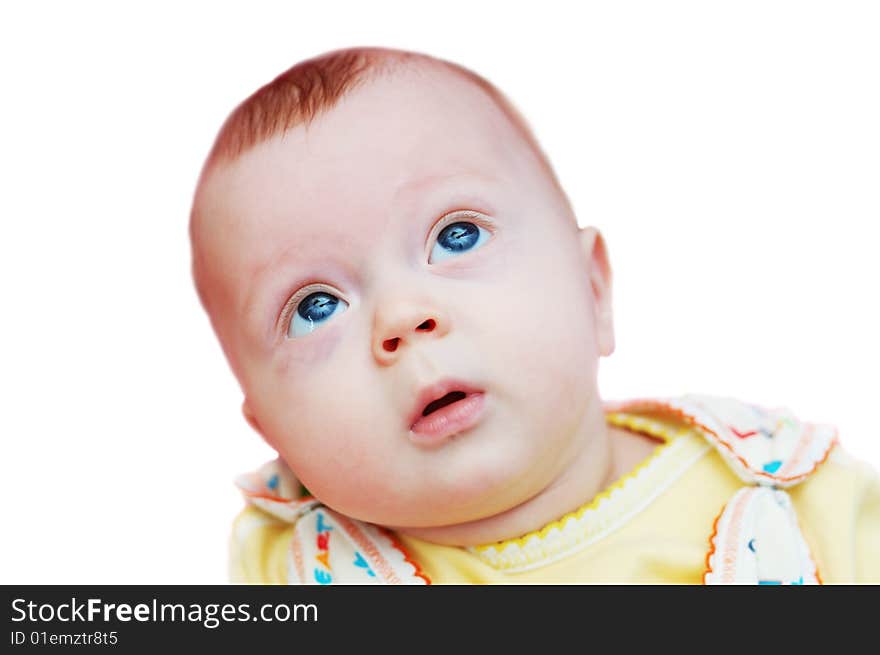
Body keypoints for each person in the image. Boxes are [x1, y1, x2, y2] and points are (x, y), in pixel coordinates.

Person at [189, 47, 879, 584]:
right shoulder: (290, 562)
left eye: (456, 236)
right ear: (274, 432)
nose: (403, 318)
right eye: (315, 307)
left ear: (592, 289)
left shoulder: (791, 495)